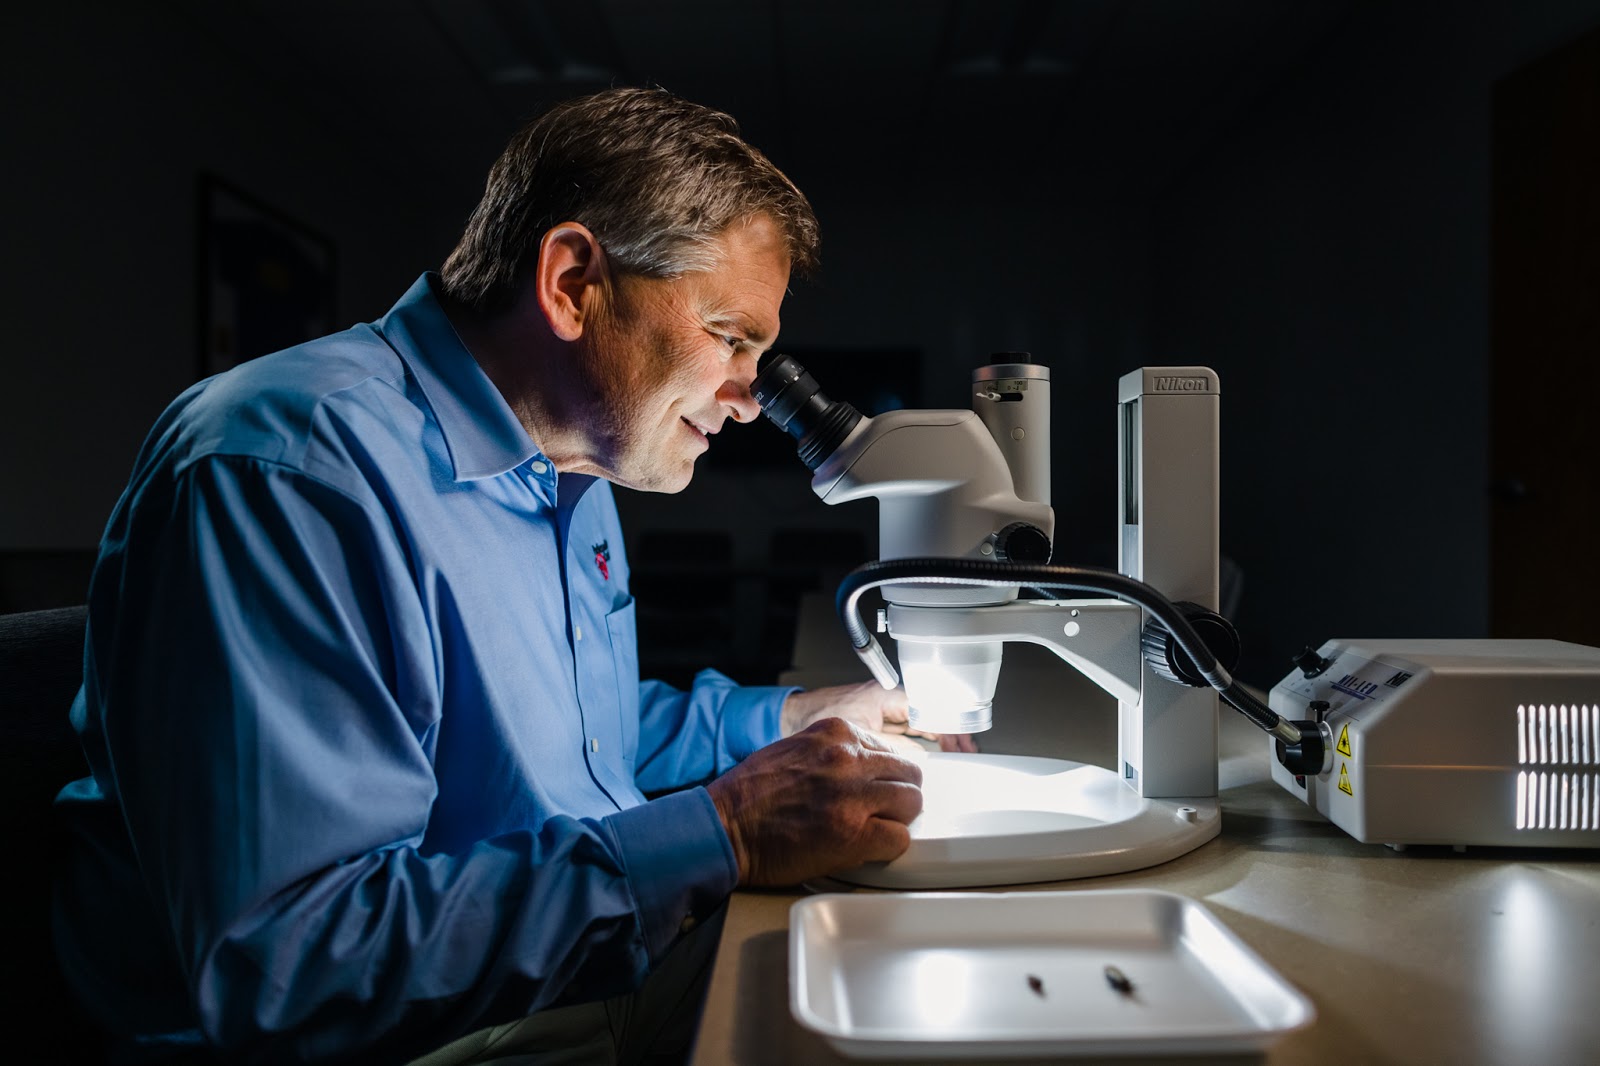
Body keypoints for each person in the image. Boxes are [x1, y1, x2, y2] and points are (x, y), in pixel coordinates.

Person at [54, 88, 956, 1064]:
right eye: (731, 337)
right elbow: (293, 966)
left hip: (540, 963)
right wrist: (726, 831)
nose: (746, 401)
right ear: (572, 282)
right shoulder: (290, 470)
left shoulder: (574, 459)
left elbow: (581, 738)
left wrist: (791, 718)